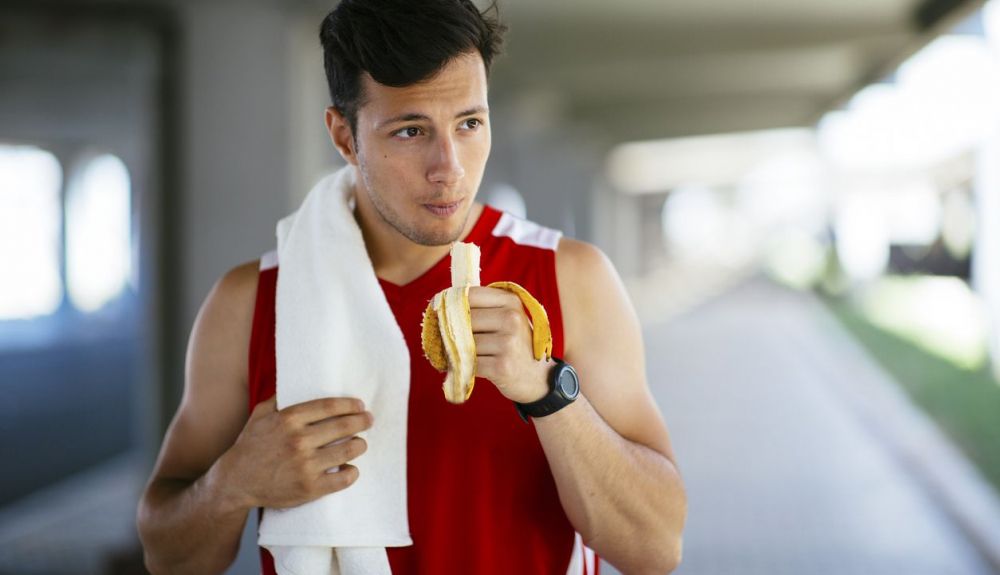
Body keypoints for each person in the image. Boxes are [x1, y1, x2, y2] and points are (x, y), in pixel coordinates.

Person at [136, 0, 687, 573]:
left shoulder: (570, 278)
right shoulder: (249, 303)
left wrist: (545, 390)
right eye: (410, 130)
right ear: (344, 137)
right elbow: (167, 556)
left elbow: (655, 550)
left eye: (469, 123)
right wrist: (232, 483)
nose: (448, 166)